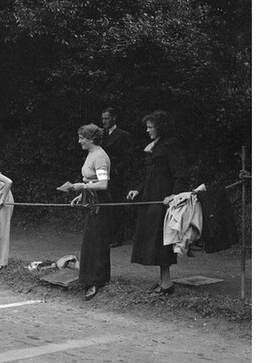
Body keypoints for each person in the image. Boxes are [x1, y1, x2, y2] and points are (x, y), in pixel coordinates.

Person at [126, 110, 190, 295]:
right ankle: (163, 281)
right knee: (154, 241)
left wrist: (174, 195)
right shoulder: (155, 145)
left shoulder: (171, 145)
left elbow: (180, 173)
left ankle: (167, 284)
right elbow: (149, 174)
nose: (147, 130)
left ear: (160, 127)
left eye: (150, 127)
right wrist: (138, 189)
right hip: (151, 198)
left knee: (163, 242)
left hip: (164, 201)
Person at [67, 124, 112, 300]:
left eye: (81, 138)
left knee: (96, 241)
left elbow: (103, 184)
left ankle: (97, 281)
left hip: (100, 202)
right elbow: (92, 180)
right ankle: (88, 279)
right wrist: (81, 195)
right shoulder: (91, 154)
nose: (79, 141)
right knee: (89, 240)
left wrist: (82, 186)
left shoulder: (100, 156)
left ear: (91, 139)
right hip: (91, 199)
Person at [100, 106, 133, 247]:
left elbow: (127, 156)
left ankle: (117, 237)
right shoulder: (101, 135)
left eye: (106, 118)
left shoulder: (122, 135)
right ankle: (107, 235)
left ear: (114, 118)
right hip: (102, 175)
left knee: (115, 205)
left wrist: (117, 170)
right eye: (102, 119)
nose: (104, 121)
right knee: (104, 205)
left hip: (115, 176)